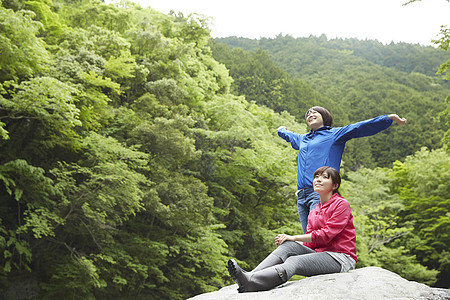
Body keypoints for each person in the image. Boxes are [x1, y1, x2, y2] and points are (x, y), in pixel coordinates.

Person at [277, 107, 407, 233]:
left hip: (320, 193)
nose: (310, 114)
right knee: (309, 238)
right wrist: (281, 130)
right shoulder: (303, 139)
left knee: (317, 236)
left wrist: (389, 118)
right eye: (307, 114)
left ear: (325, 117)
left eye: (314, 112)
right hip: (301, 196)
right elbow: (289, 135)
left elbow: (359, 127)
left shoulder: (334, 134)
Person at [227, 166, 356, 293]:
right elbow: (311, 243)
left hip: (340, 257)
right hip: (321, 254)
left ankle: (255, 283)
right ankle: (250, 277)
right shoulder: (315, 210)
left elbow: (326, 234)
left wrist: (293, 237)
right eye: (316, 177)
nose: (318, 180)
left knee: (294, 260)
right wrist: (290, 242)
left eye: (324, 177)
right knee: (289, 246)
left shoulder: (341, 204)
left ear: (335, 186)